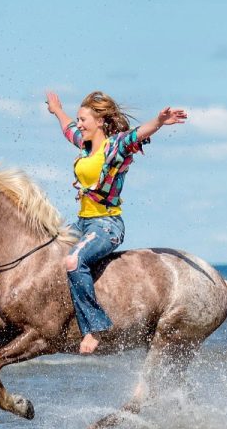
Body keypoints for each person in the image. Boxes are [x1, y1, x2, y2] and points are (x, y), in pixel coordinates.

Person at [45, 90, 187, 354]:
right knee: (47, 252)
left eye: (83, 119)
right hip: (82, 223)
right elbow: (68, 129)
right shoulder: (85, 145)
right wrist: (57, 110)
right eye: (78, 119)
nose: (79, 124)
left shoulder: (116, 146)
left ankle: (94, 329)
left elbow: (138, 134)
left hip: (106, 225)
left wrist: (158, 122)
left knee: (74, 261)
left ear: (99, 121)